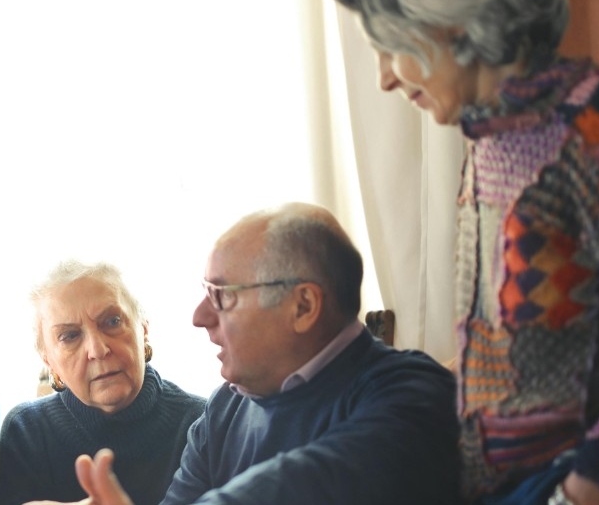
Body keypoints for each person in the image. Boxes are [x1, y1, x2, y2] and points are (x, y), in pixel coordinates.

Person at [334, 0, 599, 503]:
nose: (385, 79)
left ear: (450, 23)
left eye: (389, 48)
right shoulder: (489, 142)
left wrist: (584, 490)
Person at [30, 203, 460, 505]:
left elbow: (307, 485)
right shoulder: (225, 408)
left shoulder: (414, 393)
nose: (199, 317)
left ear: (303, 306)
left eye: (222, 296)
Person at [0, 260, 206, 505]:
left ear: (143, 330)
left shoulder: (204, 421)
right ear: (49, 362)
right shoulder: (27, 431)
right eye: (70, 336)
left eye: (112, 322)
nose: (97, 350)